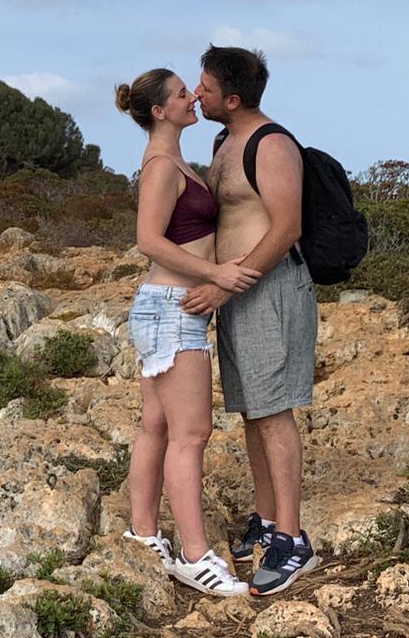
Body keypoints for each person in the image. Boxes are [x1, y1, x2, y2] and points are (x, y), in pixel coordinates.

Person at [114, 69, 261, 597]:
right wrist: (217, 275)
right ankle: (194, 557)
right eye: (181, 94)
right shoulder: (159, 165)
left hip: (168, 307)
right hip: (173, 309)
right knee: (191, 435)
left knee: (155, 424)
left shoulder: (174, 159)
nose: (192, 97)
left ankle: (145, 534)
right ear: (159, 111)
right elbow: (149, 241)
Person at [184, 45, 320, 597]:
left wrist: (223, 282)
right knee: (251, 409)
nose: (197, 95)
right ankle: (266, 521)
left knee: (273, 411)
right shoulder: (223, 141)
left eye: (206, 89)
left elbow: (285, 227)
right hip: (236, 293)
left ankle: (292, 540)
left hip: (271, 288)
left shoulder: (272, 144)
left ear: (233, 98)